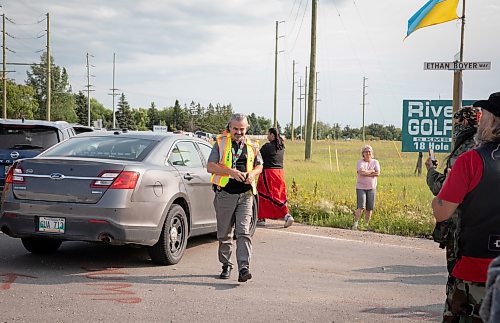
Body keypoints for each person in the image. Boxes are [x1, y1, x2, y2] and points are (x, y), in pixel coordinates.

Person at [432, 91, 500, 321]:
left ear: (492, 121)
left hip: (476, 271)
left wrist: (439, 192)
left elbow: (441, 211)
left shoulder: (471, 160)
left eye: (485, 115)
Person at [425, 106, 480, 322]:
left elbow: (446, 190)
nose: (454, 128)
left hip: (461, 227)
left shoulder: (465, 151)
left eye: (455, 123)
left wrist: (431, 171)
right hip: (482, 225)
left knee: (459, 281)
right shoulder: (485, 148)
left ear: (464, 123)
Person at [206, 113, 263, 282]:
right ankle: (226, 264)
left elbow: (260, 165)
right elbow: (210, 167)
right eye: (235, 128)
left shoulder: (253, 145)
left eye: (242, 129)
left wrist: (252, 174)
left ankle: (244, 268)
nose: (239, 132)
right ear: (229, 127)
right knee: (224, 233)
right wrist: (231, 172)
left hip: (246, 195)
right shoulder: (220, 143)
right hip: (225, 194)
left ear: (247, 128)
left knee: (244, 232)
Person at [256, 127, 294, 228]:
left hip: (268, 173)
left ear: (272, 135)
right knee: (277, 194)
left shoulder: (267, 147)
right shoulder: (281, 146)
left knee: (266, 195)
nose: (267, 136)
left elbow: (258, 157)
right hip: (279, 172)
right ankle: (261, 216)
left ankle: (286, 215)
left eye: (268, 134)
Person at [353, 145, 380, 230]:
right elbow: (361, 172)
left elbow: (377, 173)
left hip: (372, 187)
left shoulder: (375, 162)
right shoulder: (360, 162)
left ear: (372, 153)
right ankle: (355, 223)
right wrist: (372, 171)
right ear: (363, 153)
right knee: (361, 206)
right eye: (366, 151)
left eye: (369, 151)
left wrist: (367, 172)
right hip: (361, 187)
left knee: (369, 207)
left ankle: (366, 225)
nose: (368, 153)